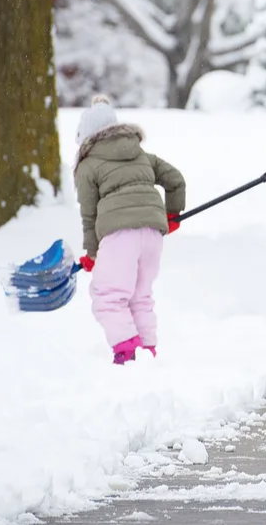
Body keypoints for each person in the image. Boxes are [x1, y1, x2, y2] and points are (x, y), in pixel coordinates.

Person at [75, 95, 186, 364]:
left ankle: (127, 353)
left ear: (86, 137)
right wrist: (172, 214)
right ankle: (147, 351)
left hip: (119, 234)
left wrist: (92, 253)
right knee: (140, 295)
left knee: (107, 296)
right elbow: (175, 180)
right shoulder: (141, 155)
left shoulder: (87, 165)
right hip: (152, 235)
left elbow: (89, 216)